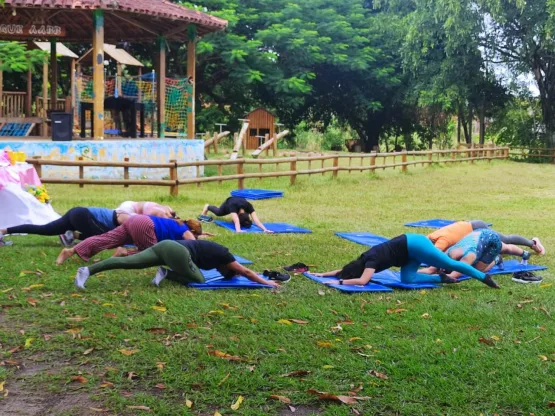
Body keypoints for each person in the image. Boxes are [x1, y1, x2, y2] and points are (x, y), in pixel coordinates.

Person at [73, 239, 280, 289]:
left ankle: (87, 271)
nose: (223, 272)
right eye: (227, 273)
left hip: (167, 246)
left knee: (129, 262)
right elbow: (246, 272)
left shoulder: (221, 259)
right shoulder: (227, 257)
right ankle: (167, 272)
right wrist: (267, 283)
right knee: (198, 278)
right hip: (177, 251)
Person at [313, 233, 500, 288]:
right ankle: (441, 279)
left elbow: (362, 281)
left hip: (415, 245)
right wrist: (322, 274)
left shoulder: (370, 263)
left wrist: (340, 282)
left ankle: (483, 277)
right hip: (406, 255)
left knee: (448, 264)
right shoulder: (362, 260)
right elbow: (344, 270)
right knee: (407, 280)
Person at [56, 215, 202, 265]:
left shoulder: (178, 223)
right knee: (153, 253)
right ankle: (124, 252)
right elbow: (196, 247)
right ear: (194, 231)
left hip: (136, 220)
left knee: (105, 239)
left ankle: (70, 251)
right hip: (145, 225)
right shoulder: (186, 232)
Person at [0, 207, 126, 247]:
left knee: (44, 229)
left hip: (77, 213)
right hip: (82, 215)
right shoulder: (131, 217)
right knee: (103, 238)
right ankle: (71, 236)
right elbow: (121, 222)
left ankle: (4, 230)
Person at [427, 220, 545, 259]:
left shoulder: (442, 240)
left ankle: (533, 243)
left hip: (477, 228)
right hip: (471, 226)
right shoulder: (431, 236)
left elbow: (434, 255)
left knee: (505, 240)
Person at [419, 229, 503, 279]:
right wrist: (413, 272)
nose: (442, 270)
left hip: (493, 241)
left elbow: (452, 276)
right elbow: (430, 270)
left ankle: (497, 258)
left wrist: (432, 277)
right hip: (477, 234)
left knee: (477, 270)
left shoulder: (468, 256)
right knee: (473, 263)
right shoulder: (445, 255)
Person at [199, 197, 273, 233]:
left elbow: (256, 220)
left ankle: (208, 207)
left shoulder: (248, 206)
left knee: (235, 218)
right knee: (219, 213)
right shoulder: (233, 206)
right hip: (229, 202)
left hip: (239, 201)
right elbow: (236, 220)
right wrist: (238, 230)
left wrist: (265, 229)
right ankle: (207, 206)